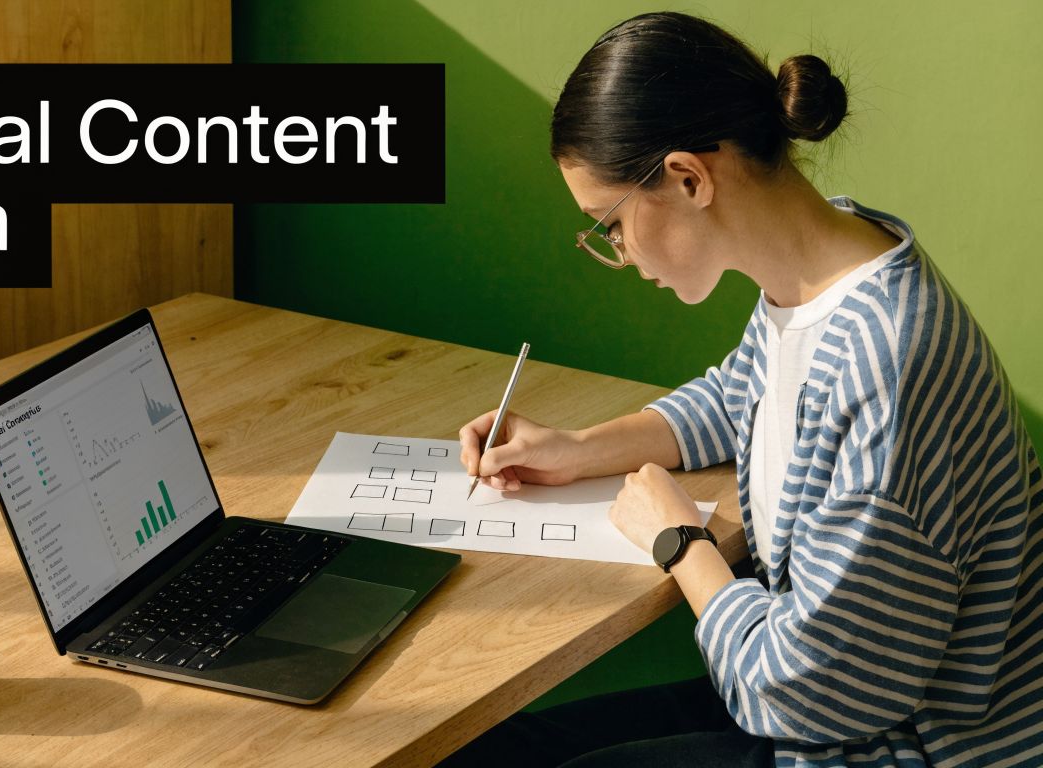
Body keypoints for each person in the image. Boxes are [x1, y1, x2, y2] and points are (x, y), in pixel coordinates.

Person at [442, 11, 1043, 768]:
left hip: (895, 746)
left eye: (610, 225)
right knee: (486, 751)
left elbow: (807, 693)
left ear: (689, 178)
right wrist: (578, 449)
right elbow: (743, 396)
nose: (619, 255)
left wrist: (681, 543)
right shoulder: (826, 270)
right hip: (818, 701)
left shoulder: (887, 364)